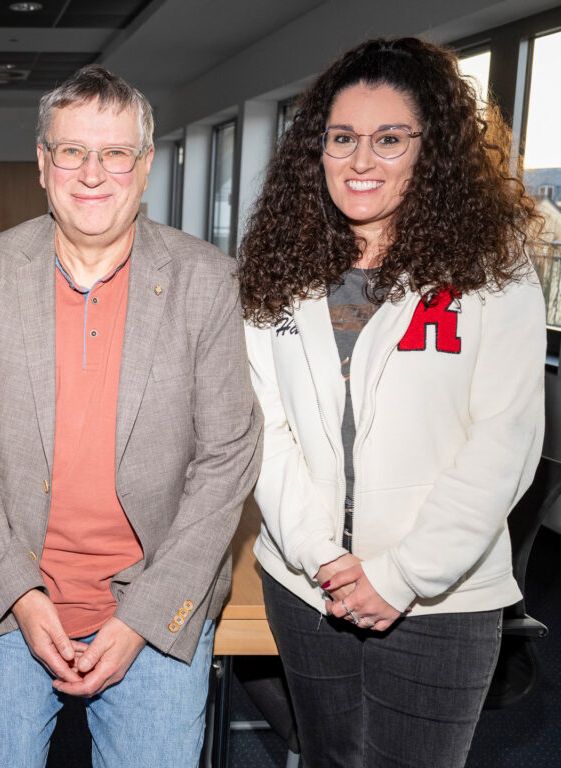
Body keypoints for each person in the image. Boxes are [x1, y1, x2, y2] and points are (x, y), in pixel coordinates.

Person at [0, 65, 262, 767]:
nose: (92, 172)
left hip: (154, 598)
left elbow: (228, 455)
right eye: (72, 151)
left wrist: (142, 619)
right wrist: (18, 594)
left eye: (115, 153)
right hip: (7, 599)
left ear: (145, 166)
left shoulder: (206, 279)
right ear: (43, 164)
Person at [239, 37, 545, 768]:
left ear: (430, 149)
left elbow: (504, 439)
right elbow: (264, 430)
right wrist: (321, 558)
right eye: (342, 138)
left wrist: (400, 576)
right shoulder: (280, 267)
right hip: (306, 584)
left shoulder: (491, 268)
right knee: (326, 757)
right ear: (317, 149)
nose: (361, 160)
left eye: (389, 139)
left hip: (442, 597)